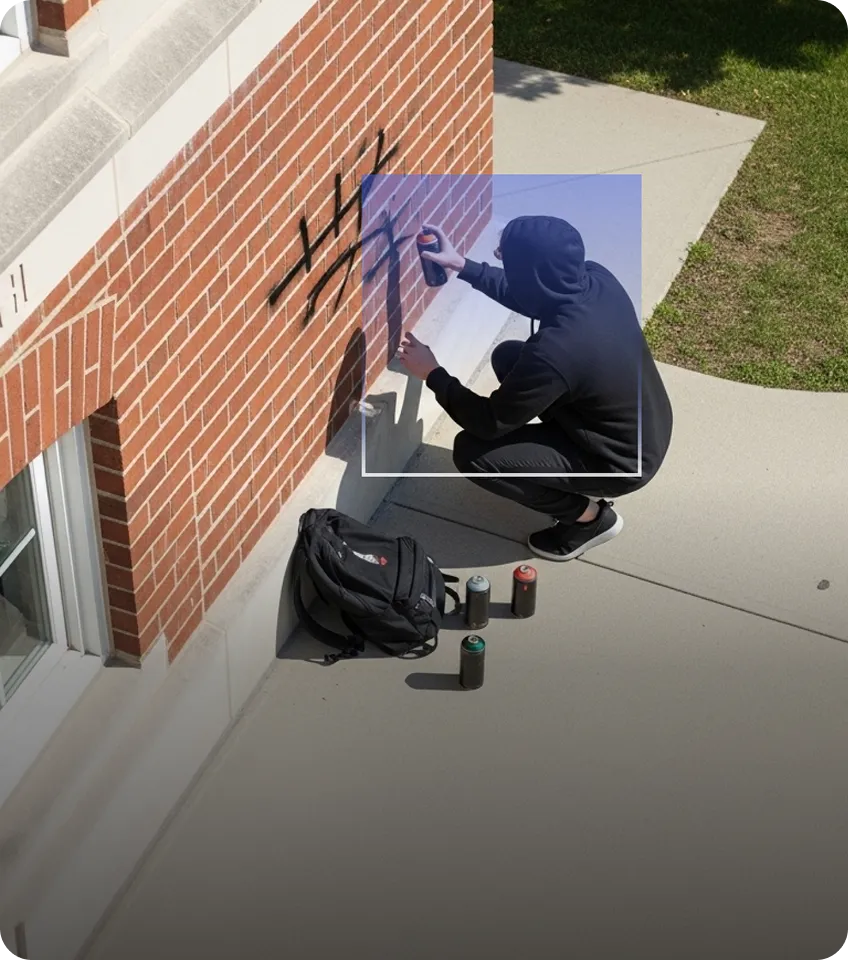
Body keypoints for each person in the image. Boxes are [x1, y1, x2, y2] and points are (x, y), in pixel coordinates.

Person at [396, 215, 673, 562]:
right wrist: (464, 266)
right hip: (644, 426)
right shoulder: (597, 278)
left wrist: (433, 373)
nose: (498, 255)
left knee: (474, 455)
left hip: (619, 461)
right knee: (510, 357)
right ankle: (562, 461)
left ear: (531, 275)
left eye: (505, 255)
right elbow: (534, 294)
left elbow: (487, 422)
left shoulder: (557, 350)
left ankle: (589, 519)